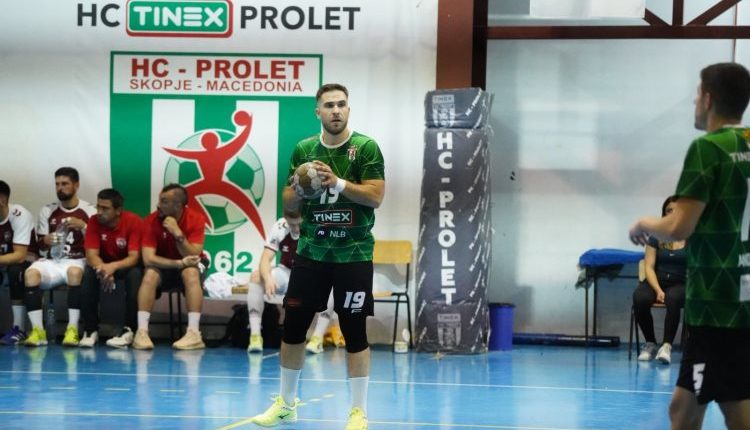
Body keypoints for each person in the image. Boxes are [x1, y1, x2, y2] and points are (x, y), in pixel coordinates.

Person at [251, 83, 385, 430]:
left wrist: (336, 182)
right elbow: (288, 201)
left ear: (348, 109)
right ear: (318, 112)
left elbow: (375, 197)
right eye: (329, 105)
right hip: (311, 253)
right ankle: (286, 404)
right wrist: (301, 187)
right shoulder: (304, 149)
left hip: (353, 254)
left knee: (354, 330)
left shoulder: (365, 147)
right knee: (294, 327)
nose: (336, 110)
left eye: (341, 104)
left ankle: (358, 412)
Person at [629, 63, 750, 430]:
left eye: (697, 94)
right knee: (693, 406)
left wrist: (643, 223)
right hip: (742, 297)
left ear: (708, 99)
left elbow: (679, 225)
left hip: (716, 301)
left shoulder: (708, 149)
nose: (694, 102)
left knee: (720, 406)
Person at [24, 167, 96, 347]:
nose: (60, 188)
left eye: (65, 184)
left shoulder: (89, 210)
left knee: (74, 273)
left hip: (77, 260)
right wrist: (46, 240)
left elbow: (97, 242)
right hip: (52, 262)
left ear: (76, 185)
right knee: (30, 275)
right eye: (57, 184)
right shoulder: (48, 210)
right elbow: (40, 245)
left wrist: (84, 226)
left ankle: (72, 329)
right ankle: (38, 331)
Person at [132, 183, 208, 351]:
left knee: (191, 273)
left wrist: (178, 233)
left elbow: (194, 255)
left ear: (178, 205)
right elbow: (148, 259)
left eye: (164, 201)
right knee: (150, 274)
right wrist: (178, 263)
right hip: (164, 266)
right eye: (160, 200)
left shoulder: (196, 219)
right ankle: (142, 332)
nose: (158, 205)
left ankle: (194, 334)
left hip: (189, 266)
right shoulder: (151, 221)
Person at [246, 217, 336, 354]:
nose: (295, 228)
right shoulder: (280, 226)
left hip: (309, 277)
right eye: (291, 224)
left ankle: (317, 339)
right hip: (286, 273)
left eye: (298, 224)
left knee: (332, 282)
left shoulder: (318, 227)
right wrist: (268, 278)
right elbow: (265, 259)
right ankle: (255, 337)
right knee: (256, 277)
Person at [80, 188, 143, 348]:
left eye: (105, 208)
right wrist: (103, 269)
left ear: (118, 210)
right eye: (98, 207)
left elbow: (134, 258)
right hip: (102, 264)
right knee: (88, 273)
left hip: (125, 265)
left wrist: (112, 267)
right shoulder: (93, 221)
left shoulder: (134, 221)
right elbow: (91, 255)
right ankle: (90, 330)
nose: (99, 212)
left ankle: (129, 330)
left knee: (136, 275)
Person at [633, 195, 686, 365]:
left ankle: (666, 346)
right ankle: (650, 344)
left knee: (673, 298)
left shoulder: (692, 237)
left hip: (680, 283)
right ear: (664, 214)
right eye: (668, 210)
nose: (672, 213)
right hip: (656, 281)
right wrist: (657, 290)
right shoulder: (656, 237)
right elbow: (649, 267)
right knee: (640, 298)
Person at [0, 180, 34, 345]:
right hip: (2, 261)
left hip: (28, 259)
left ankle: (19, 328)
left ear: (2, 201)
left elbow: (20, 255)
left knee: (16, 271)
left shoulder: (19, 214)